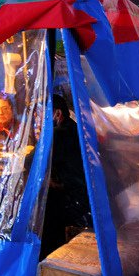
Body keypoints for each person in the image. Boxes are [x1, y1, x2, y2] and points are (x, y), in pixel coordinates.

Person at [41, 94, 91, 256]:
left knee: (42, 210)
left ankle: (48, 256)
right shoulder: (74, 127)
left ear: (57, 114)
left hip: (72, 200)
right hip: (82, 193)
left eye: (43, 114)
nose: (41, 119)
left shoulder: (59, 133)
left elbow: (32, 161)